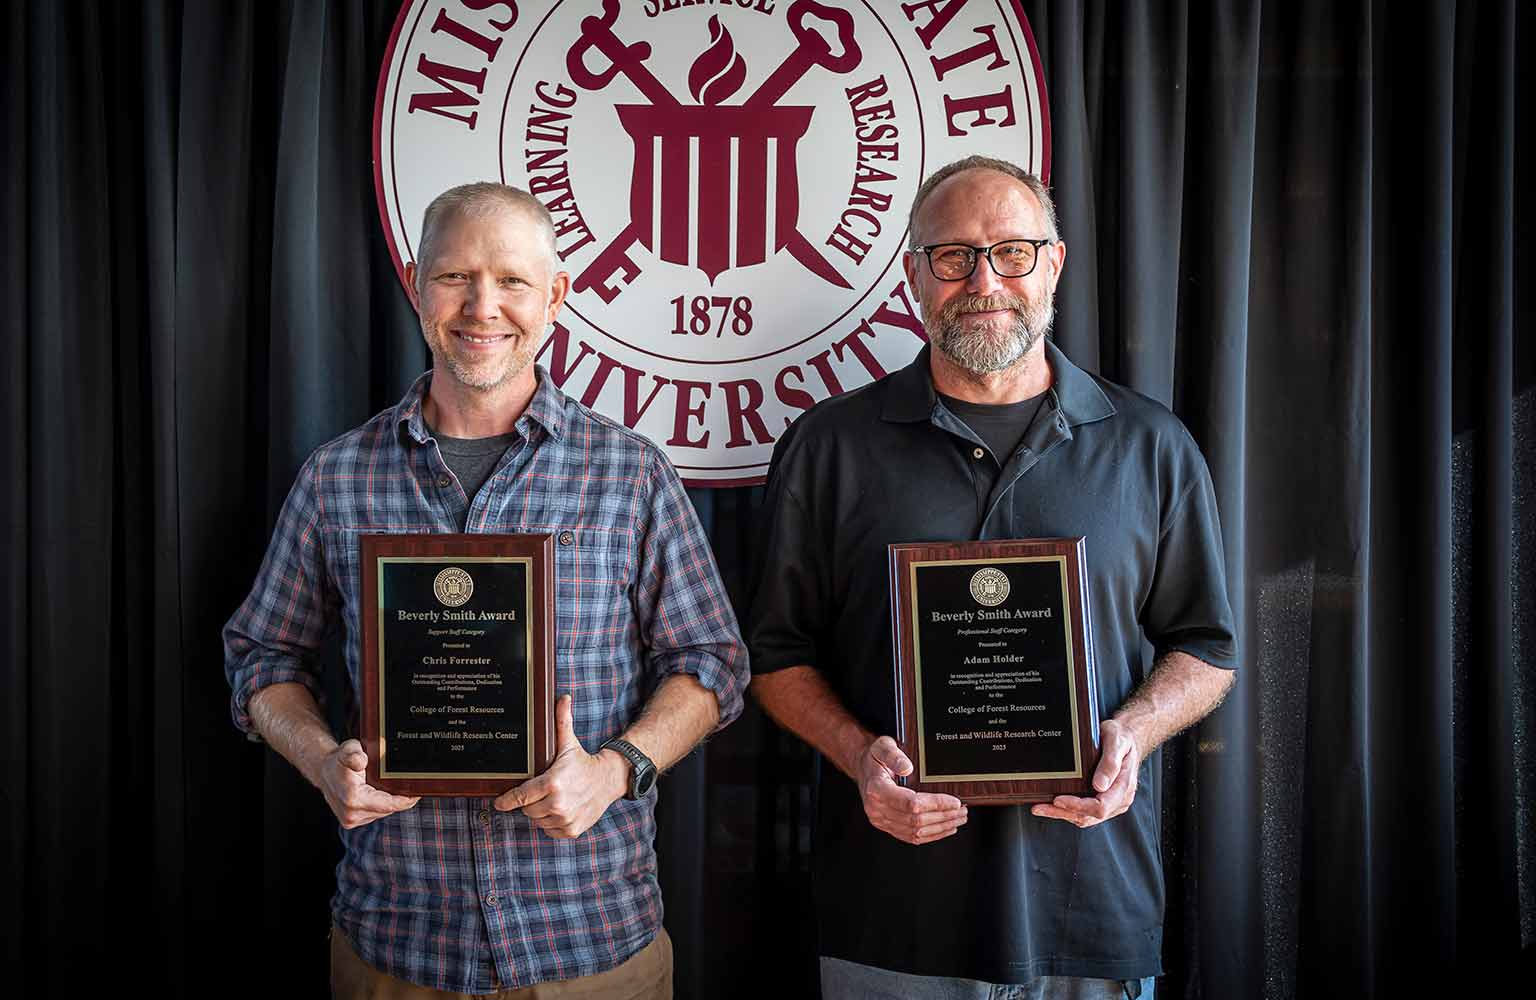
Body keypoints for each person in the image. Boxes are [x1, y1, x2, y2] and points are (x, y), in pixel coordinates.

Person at [224, 182, 749, 998]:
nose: (482, 307)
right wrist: (323, 760)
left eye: (511, 280)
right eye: (454, 277)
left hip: (591, 948)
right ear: (414, 283)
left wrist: (616, 770)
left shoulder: (630, 474)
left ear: (555, 296)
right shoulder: (337, 477)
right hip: (397, 949)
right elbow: (262, 656)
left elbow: (712, 664)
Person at [745, 156, 1237, 1000]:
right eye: (953, 256)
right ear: (913, 276)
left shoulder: (1151, 446)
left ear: (1054, 263)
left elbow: (1206, 649)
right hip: (893, 918)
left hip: (1091, 912)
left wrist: (1135, 732)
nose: (983, 281)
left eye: (1012, 251)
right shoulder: (829, 447)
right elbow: (773, 657)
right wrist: (859, 756)